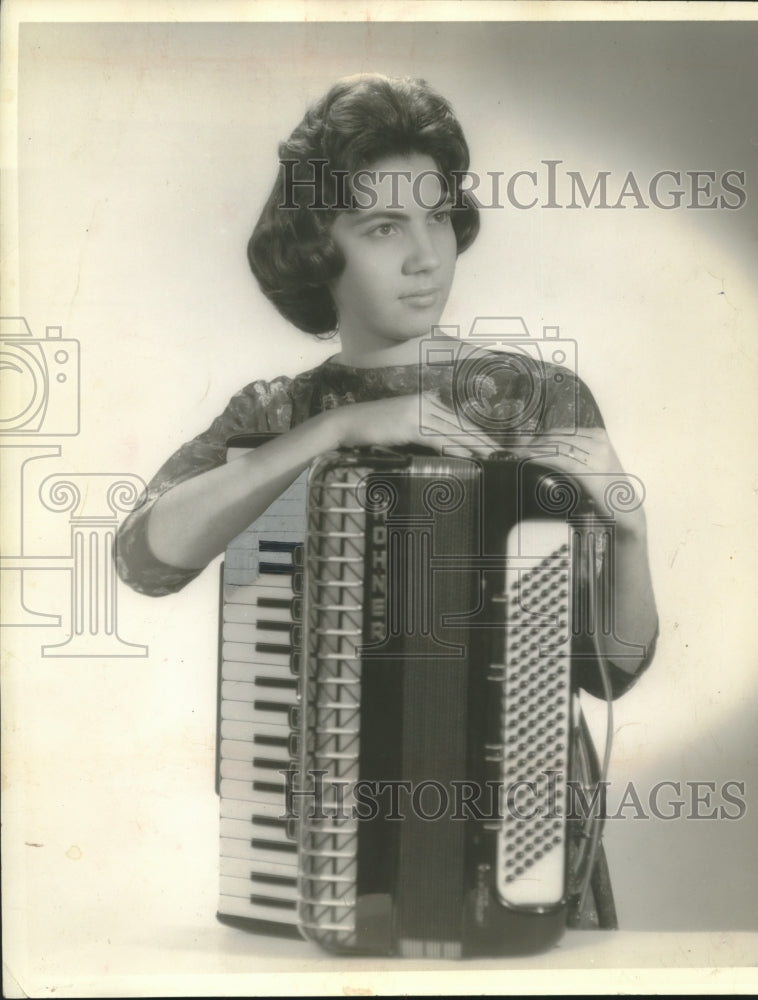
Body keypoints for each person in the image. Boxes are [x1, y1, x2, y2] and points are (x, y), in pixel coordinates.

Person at [115, 73, 658, 927]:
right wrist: (333, 431)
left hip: (517, 843)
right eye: (382, 227)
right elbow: (145, 560)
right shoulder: (278, 414)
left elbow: (608, 671)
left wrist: (629, 534)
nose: (425, 257)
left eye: (437, 218)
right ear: (317, 249)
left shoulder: (539, 399)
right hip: (327, 836)